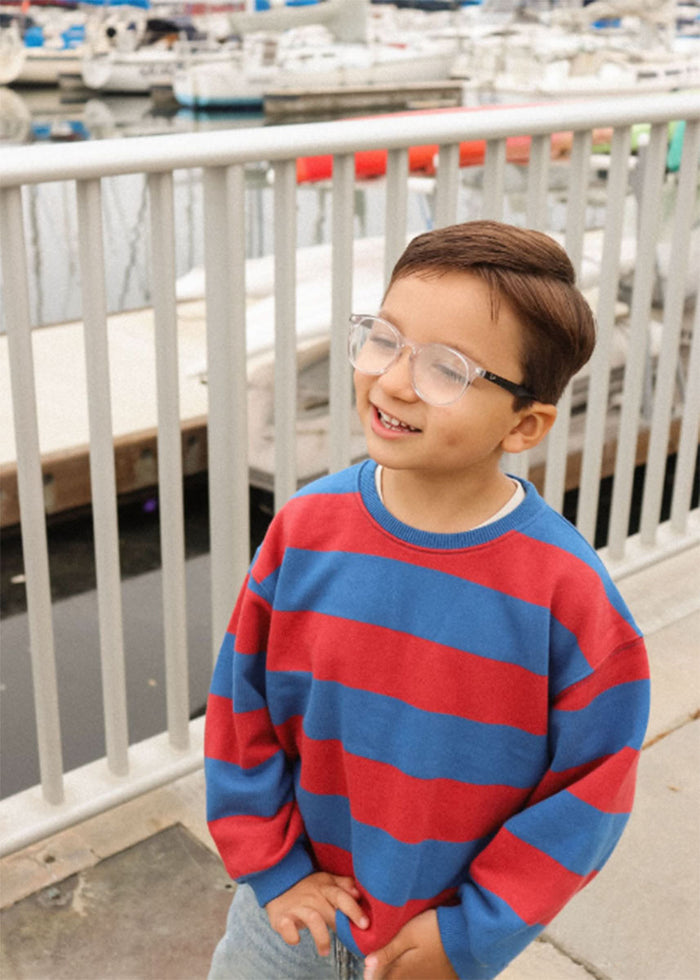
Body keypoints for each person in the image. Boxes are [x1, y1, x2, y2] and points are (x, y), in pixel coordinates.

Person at [205, 220, 650, 980]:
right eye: (384, 339)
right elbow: (241, 709)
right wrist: (272, 868)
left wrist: (474, 932)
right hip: (285, 919)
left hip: (431, 944)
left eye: (449, 369)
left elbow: (591, 791)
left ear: (525, 424)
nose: (395, 381)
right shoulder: (305, 529)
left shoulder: (567, 597)